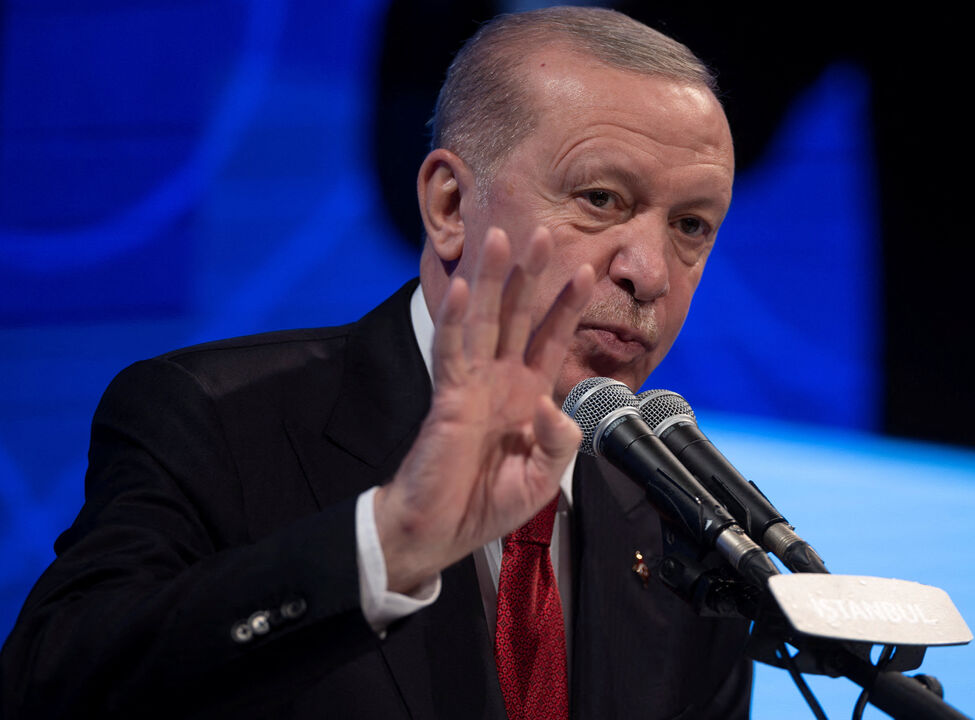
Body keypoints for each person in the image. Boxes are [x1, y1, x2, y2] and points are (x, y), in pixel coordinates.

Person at [0, 6, 751, 719]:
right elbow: (50, 689)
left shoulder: (683, 526)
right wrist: (390, 542)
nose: (650, 271)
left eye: (691, 225)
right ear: (451, 206)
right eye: (600, 198)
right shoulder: (216, 419)